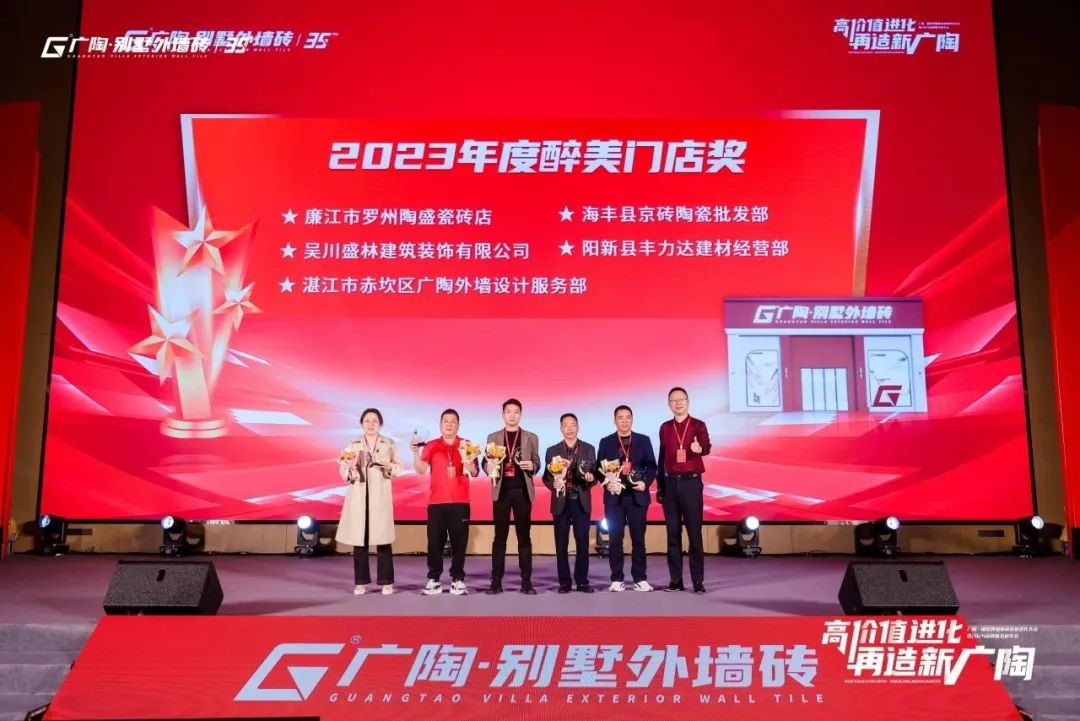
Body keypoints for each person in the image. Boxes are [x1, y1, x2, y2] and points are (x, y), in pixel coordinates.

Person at [336, 408, 402, 595]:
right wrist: (350, 470)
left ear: (380, 424)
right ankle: (360, 582)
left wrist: (388, 467)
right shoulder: (353, 444)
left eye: (374, 421)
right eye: (367, 421)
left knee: (383, 539)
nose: (371, 424)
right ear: (362, 424)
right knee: (360, 540)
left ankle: (386, 582)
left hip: (380, 496)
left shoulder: (388, 443)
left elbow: (398, 467)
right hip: (359, 496)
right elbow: (343, 468)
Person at [412, 409, 477, 596]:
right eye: (445, 421)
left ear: (458, 425)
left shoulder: (467, 445)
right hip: (436, 503)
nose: (449, 424)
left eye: (453, 421)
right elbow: (420, 470)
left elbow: (474, 472)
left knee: (459, 543)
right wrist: (415, 453)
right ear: (440, 425)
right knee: (434, 543)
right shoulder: (432, 446)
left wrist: (470, 465)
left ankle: (458, 579)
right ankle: (434, 579)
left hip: (460, 502)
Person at [657, 387, 712, 593]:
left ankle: (698, 581)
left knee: (694, 534)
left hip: (691, 484)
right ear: (668, 405)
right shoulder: (665, 427)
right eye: (674, 400)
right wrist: (660, 486)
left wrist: (700, 449)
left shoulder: (698, 425)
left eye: (682, 399)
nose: (678, 403)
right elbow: (662, 458)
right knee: (672, 534)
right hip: (670, 484)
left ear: (688, 402)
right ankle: (675, 580)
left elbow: (706, 446)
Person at [483, 398, 541, 595]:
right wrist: (488, 466)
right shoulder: (493, 437)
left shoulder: (531, 437)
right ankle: (496, 581)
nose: (512, 415)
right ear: (503, 415)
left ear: (520, 415)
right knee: (499, 538)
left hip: (522, 492)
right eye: (508, 412)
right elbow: (485, 461)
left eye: (516, 412)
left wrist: (533, 466)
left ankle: (526, 582)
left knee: (524, 538)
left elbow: (536, 462)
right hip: (501, 492)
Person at [595, 405, 657, 592]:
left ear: (632, 419)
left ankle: (640, 578)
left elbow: (652, 467)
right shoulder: (606, 442)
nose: (624, 421)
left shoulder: (643, 440)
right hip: (614, 497)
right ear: (614, 420)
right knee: (615, 538)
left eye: (627, 417)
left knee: (638, 539)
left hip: (637, 495)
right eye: (620, 417)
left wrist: (645, 483)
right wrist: (607, 483)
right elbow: (598, 469)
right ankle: (616, 579)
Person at [542, 413, 597, 593]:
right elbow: (546, 477)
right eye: (566, 425)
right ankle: (564, 582)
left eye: (573, 424)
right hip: (561, 501)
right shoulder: (552, 450)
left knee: (582, 542)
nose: (570, 428)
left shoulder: (589, 449)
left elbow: (595, 475)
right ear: (561, 429)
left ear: (578, 427)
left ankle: (582, 581)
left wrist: (591, 478)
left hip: (581, 501)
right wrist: (553, 484)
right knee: (561, 543)